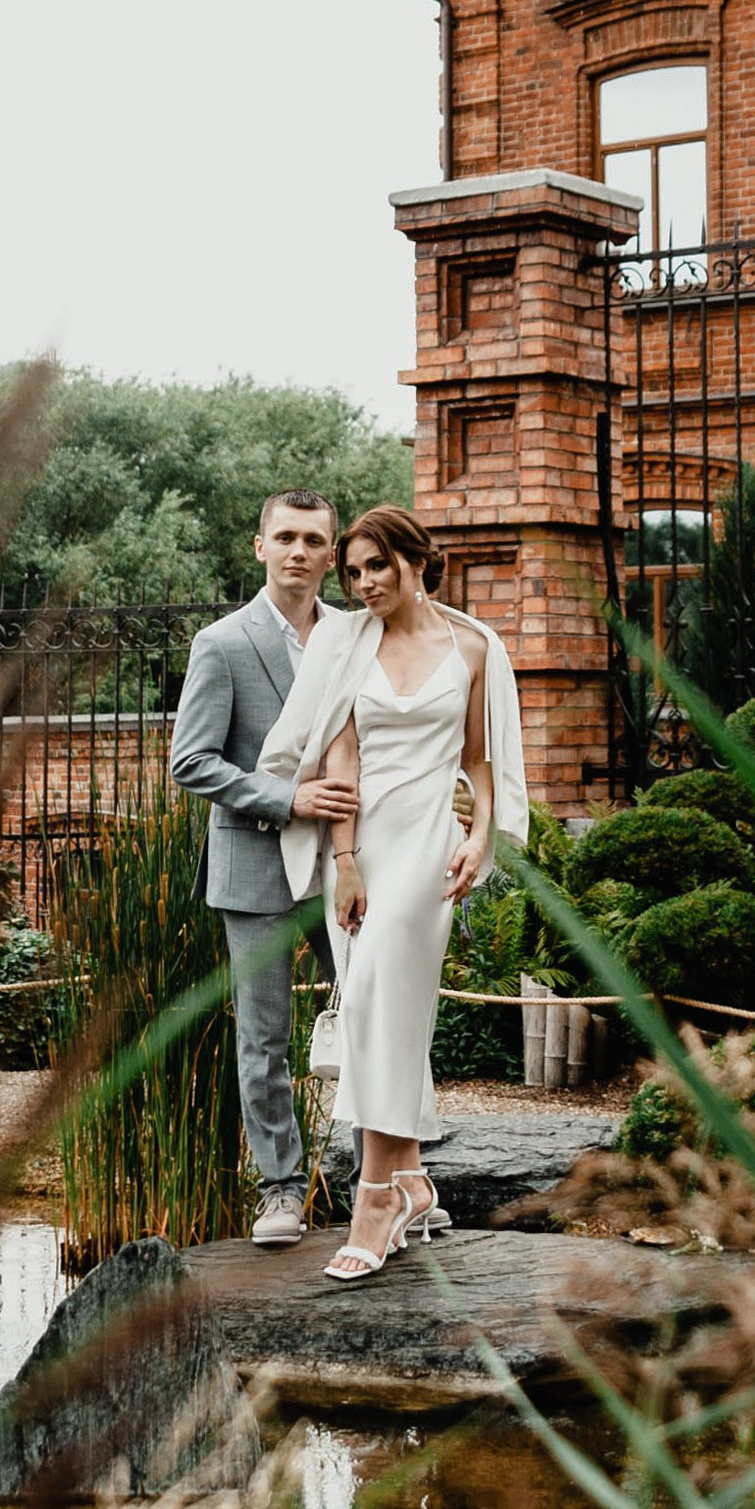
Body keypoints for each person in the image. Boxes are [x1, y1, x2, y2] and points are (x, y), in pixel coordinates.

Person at [252, 503, 528, 1282]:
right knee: (382, 1003)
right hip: (365, 846)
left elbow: (480, 760)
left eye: (378, 565)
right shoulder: (347, 641)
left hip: (429, 845)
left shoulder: (475, 645)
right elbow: (339, 754)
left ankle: (374, 1196)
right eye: (355, 571)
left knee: (374, 992)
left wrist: (480, 837)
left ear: (416, 560)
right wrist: (343, 860)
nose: (364, 582)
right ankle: (408, 1181)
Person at [168, 490, 347, 1247]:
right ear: (259, 546)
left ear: (333, 554)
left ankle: (381, 1179)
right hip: (255, 861)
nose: (299, 551)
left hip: (347, 862)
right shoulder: (222, 642)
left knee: (370, 1021)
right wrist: (287, 797)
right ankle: (279, 1191)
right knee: (265, 1038)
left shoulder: (354, 633)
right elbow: (191, 759)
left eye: (313, 539)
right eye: (286, 537)